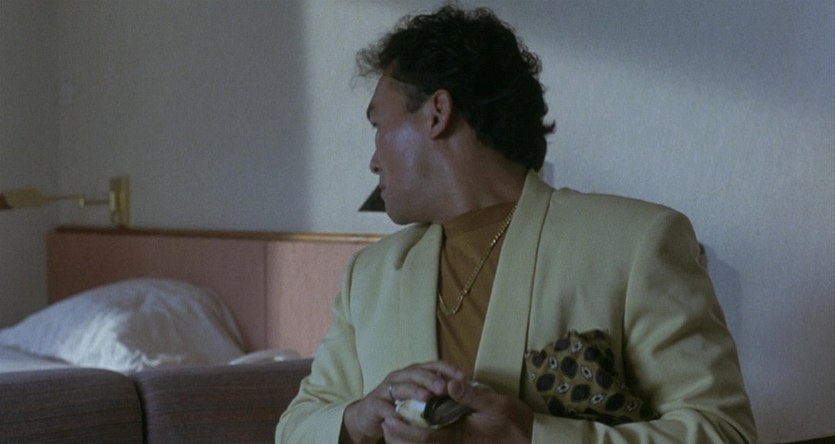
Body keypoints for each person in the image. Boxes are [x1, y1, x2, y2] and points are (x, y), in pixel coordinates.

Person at [276, 5, 757, 443]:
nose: (373, 161)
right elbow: (296, 427)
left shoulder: (638, 244)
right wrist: (358, 419)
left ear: (437, 113)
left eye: (378, 126)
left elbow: (725, 432)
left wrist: (531, 437)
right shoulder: (369, 276)